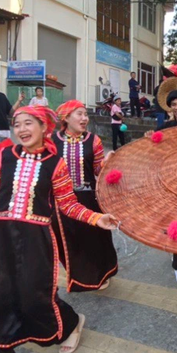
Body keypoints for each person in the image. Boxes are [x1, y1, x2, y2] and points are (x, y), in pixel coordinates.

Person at [0, 105, 119, 353]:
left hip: (38, 239)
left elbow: (67, 204)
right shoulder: (4, 156)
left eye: (29, 123)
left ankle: (71, 323)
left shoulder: (56, 164)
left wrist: (95, 219)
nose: (21, 129)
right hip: (2, 239)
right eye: (17, 124)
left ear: (45, 128)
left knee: (36, 296)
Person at [52, 100, 118, 291]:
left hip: (88, 198)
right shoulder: (52, 141)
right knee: (70, 240)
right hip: (61, 201)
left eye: (86, 115)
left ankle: (101, 273)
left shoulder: (94, 140)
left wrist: (107, 162)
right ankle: (80, 278)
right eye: (79, 114)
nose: (84, 118)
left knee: (94, 239)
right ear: (66, 118)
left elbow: (98, 170)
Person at [145, 89, 177, 284]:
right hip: (170, 180)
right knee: (175, 217)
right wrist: (150, 139)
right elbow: (155, 152)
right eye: (173, 105)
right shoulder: (165, 127)